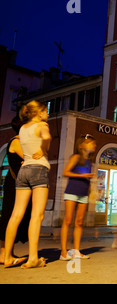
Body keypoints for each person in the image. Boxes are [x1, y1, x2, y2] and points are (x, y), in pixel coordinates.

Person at [3, 100, 51, 268]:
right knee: (37, 215)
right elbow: (47, 137)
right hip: (39, 169)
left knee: (16, 215)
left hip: (24, 171)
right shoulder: (42, 125)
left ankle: (7, 257)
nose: (48, 114)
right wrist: (43, 149)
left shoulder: (23, 129)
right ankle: (33, 258)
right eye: (46, 111)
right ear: (38, 113)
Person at [60, 134, 96, 260]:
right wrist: (83, 175)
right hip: (72, 191)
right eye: (90, 143)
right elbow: (65, 172)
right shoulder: (75, 157)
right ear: (81, 145)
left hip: (83, 193)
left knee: (79, 222)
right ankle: (64, 252)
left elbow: (87, 177)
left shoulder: (88, 161)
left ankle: (76, 251)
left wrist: (91, 190)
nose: (93, 145)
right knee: (68, 220)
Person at [0, 117, 31, 264]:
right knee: (10, 215)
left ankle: (9, 252)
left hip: (17, 182)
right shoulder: (16, 141)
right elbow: (31, 158)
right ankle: (4, 254)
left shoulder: (20, 142)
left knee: (12, 215)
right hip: (14, 183)